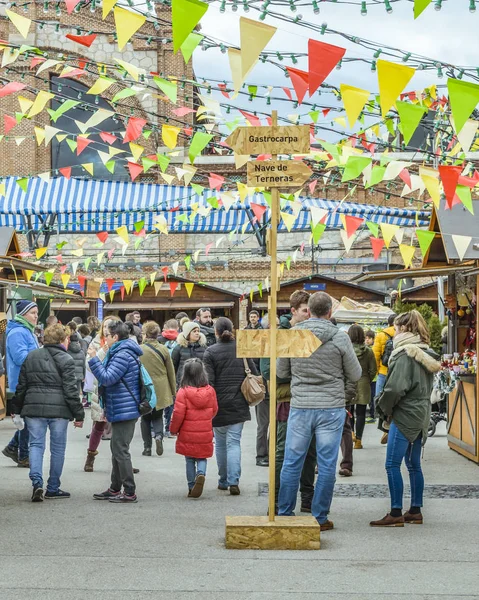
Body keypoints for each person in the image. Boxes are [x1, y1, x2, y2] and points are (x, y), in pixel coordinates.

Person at [277, 292, 362, 530]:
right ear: (330, 312)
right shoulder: (340, 337)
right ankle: (320, 517)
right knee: (326, 464)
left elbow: (281, 372)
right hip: (332, 407)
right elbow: (355, 374)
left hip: (301, 405)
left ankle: (284, 512)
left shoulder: (294, 335)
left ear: (309, 310)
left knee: (292, 461)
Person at [370, 310, 441, 527]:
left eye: (397, 328)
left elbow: (394, 389)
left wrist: (381, 407)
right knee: (413, 464)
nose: (395, 332)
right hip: (421, 412)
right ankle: (415, 510)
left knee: (392, 464)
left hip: (404, 414)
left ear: (405, 329)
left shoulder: (405, 354)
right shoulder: (426, 352)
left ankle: (395, 512)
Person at [13, 324, 85, 502]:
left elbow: (21, 386)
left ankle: (37, 483)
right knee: (57, 448)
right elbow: (70, 390)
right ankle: (53, 487)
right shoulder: (66, 359)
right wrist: (79, 414)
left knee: (36, 445)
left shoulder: (31, 357)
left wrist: (16, 410)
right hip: (59, 411)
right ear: (62, 340)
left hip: (33, 409)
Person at [260, 290, 316, 513]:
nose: (309, 315)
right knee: (282, 452)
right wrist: (300, 372)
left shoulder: (313, 331)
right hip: (286, 400)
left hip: (309, 400)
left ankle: (307, 499)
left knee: (309, 453)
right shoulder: (278, 334)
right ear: (293, 311)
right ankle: (276, 502)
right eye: (305, 311)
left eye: (311, 311)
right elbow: (267, 370)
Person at [88, 321, 142, 503]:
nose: (105, 338)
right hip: (121, 406)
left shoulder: (122, 354)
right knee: (117, 448)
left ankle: (129, 491)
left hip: (125, 408)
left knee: (120, 449)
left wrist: (94, 359)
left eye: (108, 335)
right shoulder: (121, 351)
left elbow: (108, 378)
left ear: (115, 337)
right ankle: (114, 488)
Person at [203, 317, 257, 495]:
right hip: (239, 402)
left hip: (218, 404)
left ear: (216, 332)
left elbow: (208, 381)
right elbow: (255, 374)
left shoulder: (210, 352)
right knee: (234, 442)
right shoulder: (242, 349)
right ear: (232, 330)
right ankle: (234, 480)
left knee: (220, 443)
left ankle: (223, 480)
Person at [170, 358, 218, 498]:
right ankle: (201, 474)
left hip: (187, 432)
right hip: (205, 431)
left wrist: (174, 429)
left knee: (190, 459)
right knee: (202, 457)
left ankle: (191, 486)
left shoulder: (183, 392)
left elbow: (178, 414)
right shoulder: (210, 391)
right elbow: (214, 410)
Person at [2, 300, 39, 468]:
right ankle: (23, 455)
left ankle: (12, 447)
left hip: (29, 380)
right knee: (28, 419)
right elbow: (20, 358)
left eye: (37, 313)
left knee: (28, 418)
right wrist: (40, 358)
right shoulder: (18, 332)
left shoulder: (26, 331)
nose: (36, 317)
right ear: (23, 314)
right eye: (33, 313)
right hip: (22, 382)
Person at [83, 316, 121, 472]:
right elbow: (89, 364)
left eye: (110, 326)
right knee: (98, 425)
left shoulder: (122, 343)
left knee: (120, 428)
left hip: (118, 390)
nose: (107, 329)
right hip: (100, 389)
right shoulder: (95, 343)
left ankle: (122, 462)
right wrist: (105, 349)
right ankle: (90, 457)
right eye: (105, 326)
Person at [139, 321, 176, 457]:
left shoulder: (139, 349)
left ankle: (147, 447)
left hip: (145, 387)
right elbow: (171, 372)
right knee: (158, 415)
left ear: (145, 334)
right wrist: (173, 391)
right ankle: (159, 437)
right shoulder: (164, 349)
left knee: (145, 418)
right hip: (161, 387)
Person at [347, 325, 377, 450]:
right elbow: (373, 369)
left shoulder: (346, 350)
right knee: (361, 413)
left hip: (349, 382)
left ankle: (351, 433)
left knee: (348, 411)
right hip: (363, 382)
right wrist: (367, 380)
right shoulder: (368, 351)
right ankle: (358, 440)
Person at [372, 314, 397, 444]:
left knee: (381, 401)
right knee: (396, 402)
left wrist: (377, 371)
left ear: (388, 323)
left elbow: (375, 355)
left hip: (383, 372)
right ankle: (393, 427)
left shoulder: (381, 335)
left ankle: (385, 427)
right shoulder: (402, 334)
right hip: (397, 372)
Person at [171, 321, 207, 388]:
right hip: (183, 383)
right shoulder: (179, 348)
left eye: (198, 331)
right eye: (194, 331)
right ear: (188, 334)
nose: (197, 333)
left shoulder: (204, 348)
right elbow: (173, 367)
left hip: (200, 383)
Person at [67, 330, 86, 402]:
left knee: (70, 392)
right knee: (77, 394)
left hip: (70, 375)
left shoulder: (67, 351)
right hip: (79, 376)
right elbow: (83, 365)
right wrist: (84, 375)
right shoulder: (81, 352)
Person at [365, 330, 377, 422]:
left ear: (373, 339)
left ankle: (373, 415)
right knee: (369, 397)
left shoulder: (373, 349)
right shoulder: (366, 349)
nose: (367, 340)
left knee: (372, 397)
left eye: (369, 338)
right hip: (370, 378)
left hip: (374, 378)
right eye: (366, 338)